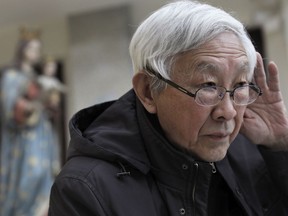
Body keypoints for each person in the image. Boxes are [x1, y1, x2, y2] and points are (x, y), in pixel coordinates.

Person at [49, 1, 288, 215]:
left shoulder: (250, 144)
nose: (229, 111)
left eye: (240, 85)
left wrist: (280, 146)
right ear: (148, 91)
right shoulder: (85, 189)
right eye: (208, 85)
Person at [0, 28, 59, 216]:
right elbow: (10, 108)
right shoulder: (11, 76)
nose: (36, 53)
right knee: (32, 173)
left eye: (38, 49)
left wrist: (49, 102)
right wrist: (30, 106)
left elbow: (47, 107)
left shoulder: (36, 77)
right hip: (23, 137)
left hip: (41, 133)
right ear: (22, 49)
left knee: (45, 173)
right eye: (32, 48)